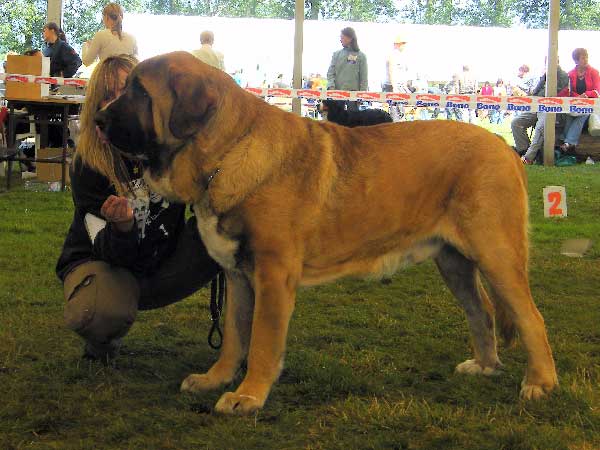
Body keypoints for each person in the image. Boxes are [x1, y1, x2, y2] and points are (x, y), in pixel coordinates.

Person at [56, 55, 221, 360]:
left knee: (229, 229)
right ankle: (102, 333)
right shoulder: (88, 165)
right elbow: (112, 253)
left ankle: (245, 345)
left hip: (160, 266)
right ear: (97, 106)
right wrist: (123, 227)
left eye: (127, 92)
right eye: (108, 95)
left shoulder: (173, 149)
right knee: (101, 311)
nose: (117, 103)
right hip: (107, 265)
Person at [512, 59, 569, 164]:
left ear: (557, 62)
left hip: (551, 108)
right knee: (516, 122)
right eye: (547, 63)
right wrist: (534, 99)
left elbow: (554, 92)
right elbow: (536, 92)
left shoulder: (563, 76)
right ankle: (524, 150)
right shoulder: (545, 75)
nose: (549, 65)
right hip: (537, 106)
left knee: (540, 127)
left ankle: (529, 157)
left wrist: (537, 97)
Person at [558, 48, 600, 153]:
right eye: (583, 58)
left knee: (585, 113)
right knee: (569, 114)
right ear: (576, 61)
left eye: (586, 57)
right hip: (575, 105)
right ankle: (566, 143)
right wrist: (578, 97)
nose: (586, 59)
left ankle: (566, 141)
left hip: (591, 106)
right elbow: (569, 92)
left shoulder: (594, 72)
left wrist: (586, 95)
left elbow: (598, 91)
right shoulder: (570, 74)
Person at [326, 27, 368, 112]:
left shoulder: (361, 56)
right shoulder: (336, 54)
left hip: (353, 96)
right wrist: (331, 87)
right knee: (336, 122)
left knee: (352, 122)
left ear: (350, 38)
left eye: (342, 37)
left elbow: (364, 78)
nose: (340, 40)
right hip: (337, 94)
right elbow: (330, 72)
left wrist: (361, 96)